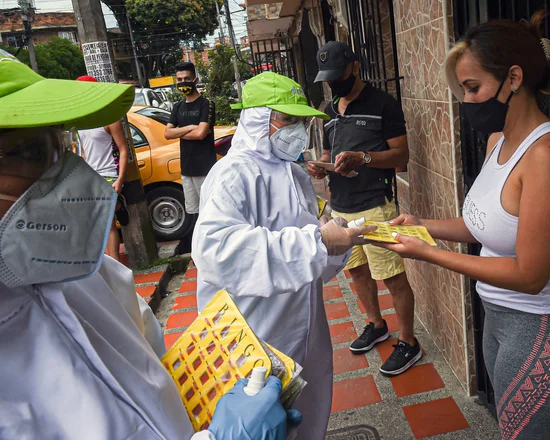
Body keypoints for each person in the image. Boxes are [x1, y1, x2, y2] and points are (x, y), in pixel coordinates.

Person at [0, 48, 298, 440]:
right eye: (31, 153)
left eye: (59, 147)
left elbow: (155, 368)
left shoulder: (89, 272)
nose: (67, 175)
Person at [377, 13, 550, 440]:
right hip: (499, 318)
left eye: (472, 87)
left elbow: (529, 275)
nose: (466, 101)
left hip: (544, 328)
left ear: (513, 78)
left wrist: (427, 253)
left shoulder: (549, 156)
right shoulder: (498, 141)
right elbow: (483, 226)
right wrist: (423, 226)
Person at [192, 71, 376, 440]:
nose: (296, 130)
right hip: (253, 333)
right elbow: (216, 250)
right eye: (287, 120)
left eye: (300, 121)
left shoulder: (294, 174)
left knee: (307, 415)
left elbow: (309, 251)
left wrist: (340, 238)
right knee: (262, 422)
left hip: (304, 324)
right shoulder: (233, 175)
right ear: (258, 120)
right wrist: (318, 241)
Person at [309, 41, 421, 376]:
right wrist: (321, 166)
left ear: (355, 67)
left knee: (391, 275)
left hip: (375, 205)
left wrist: (365, 159)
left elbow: (401, 157)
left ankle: (409, 341)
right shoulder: (330, 111)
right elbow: (330, 154)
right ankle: (376, 324)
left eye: (338, 75)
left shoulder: (383, 104)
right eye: (328, 77)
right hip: (340, 207)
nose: (334, 83)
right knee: (356, 271)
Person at [165, 61, 216, 253]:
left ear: (195, 79)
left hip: (205, 169)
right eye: (179, 80)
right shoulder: (177, 107)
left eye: (187, 78)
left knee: (210, 211)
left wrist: (179, 131)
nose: (183, 82)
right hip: (187, 170)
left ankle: (213, 249)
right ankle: (199, 251)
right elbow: (167, 134)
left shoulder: (206, 104)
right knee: (193, 213)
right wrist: (189, 128)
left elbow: (201, 134)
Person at [76, 74, 129, 262]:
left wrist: (120, 179)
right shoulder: (79, 120)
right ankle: (104, 263)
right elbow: (83, 152)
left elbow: (123, 149)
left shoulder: (109, 119)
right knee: (96, 225)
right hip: (89, 177)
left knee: (108, 225)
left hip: (108, 176)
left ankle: (115, 264)